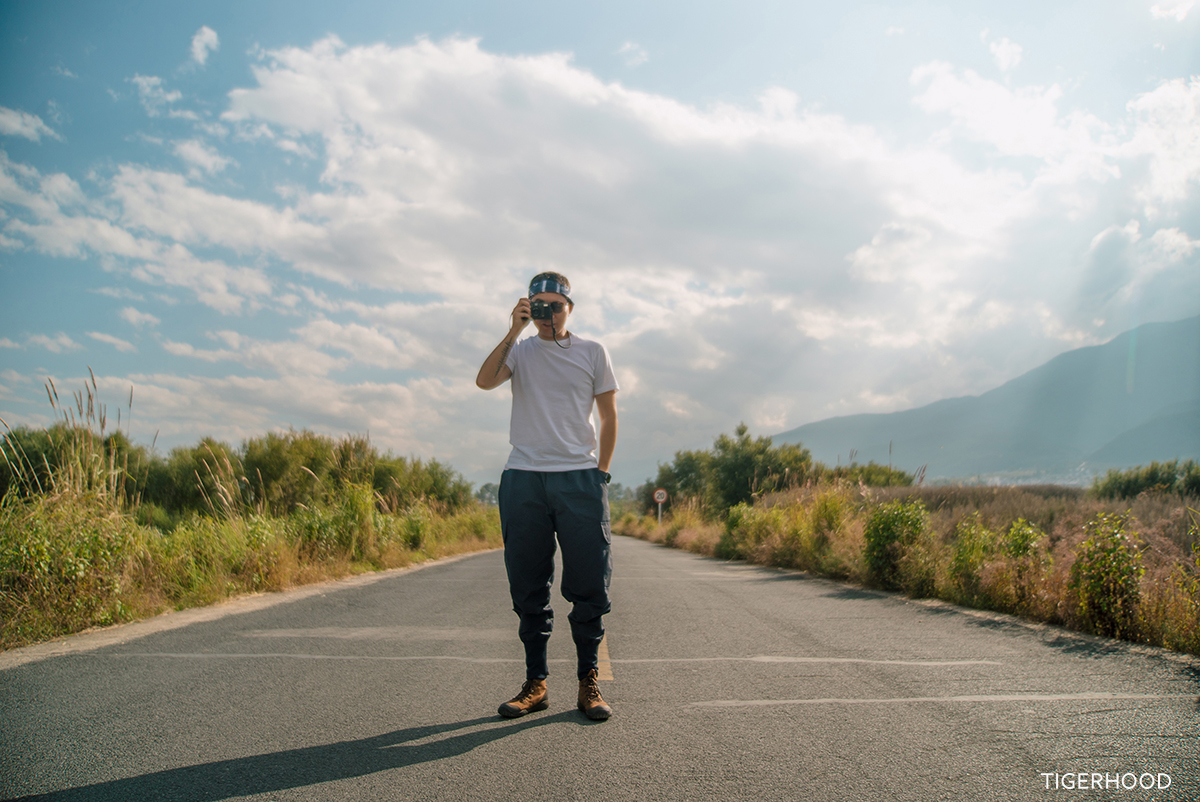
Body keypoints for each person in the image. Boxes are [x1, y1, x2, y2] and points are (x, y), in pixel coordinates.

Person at [475, 272, 619, 721]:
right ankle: (535, 683)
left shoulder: (592, 351)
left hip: (579, 477)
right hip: (523, 477)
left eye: (556, 306)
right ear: (527, 308)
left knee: (589, 582)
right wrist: (513, 330)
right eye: (539, 306)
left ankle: (587, 682)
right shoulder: (519, 351)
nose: (548, 314)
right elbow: (484, 382)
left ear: (569, 309)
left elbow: (609, 415)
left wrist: (601, 474)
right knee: (527, 582)